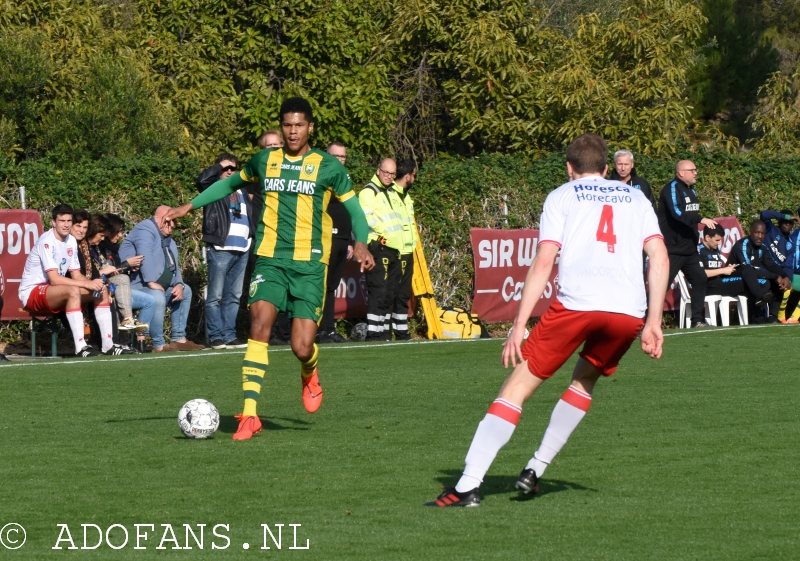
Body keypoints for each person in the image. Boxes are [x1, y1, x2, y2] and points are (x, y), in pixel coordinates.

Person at [425, 133, 669, 508]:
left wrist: (519, 325)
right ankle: (535, 469)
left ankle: (467, 486)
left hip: (577, 305)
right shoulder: (636, 196)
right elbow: (659, 255)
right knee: (585, 379)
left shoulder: (561, 195)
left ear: (569, 168)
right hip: (627, 311)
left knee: (516, 388)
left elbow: (544, 260)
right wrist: (654, 320)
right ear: (606, 169)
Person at [164, 96, 375, 440]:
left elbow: (356, 212)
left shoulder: (329, 167)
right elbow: (228, 183)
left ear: (310, 127)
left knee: (300, 346)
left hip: (309, 265)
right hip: (270, 259)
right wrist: (189, 205)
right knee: (259, 324)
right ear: (282, 127)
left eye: (299, 125)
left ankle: (310, 371)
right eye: (287, 125)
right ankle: (249, 413)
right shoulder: (264, 160)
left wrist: (362, 241)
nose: (293, 132)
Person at [18, 204, 115, 357]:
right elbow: (55, 279)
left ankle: (108, 345)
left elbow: (76, 274)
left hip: (53, 291)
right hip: (32, 292)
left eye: (69, 220)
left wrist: (93, 283)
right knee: (73, 290)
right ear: (53, 222)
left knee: (101, 289)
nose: (66, 224)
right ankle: (80, 347)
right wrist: (86, 283)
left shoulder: (70, 240)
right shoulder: (47, 242)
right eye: (62, 220)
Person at [120, 206, 204, 352]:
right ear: (161, 218)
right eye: (170, 221)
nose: (173, 225)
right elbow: (144, 254)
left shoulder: (168, 239)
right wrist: (151, 282)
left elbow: (174, 265)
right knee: (157, 295)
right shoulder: (145, 229)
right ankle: (158, 344)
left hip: (157, 287)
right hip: (136, 287)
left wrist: (179, 284)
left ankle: (179, 338)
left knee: (187, 291)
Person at [196, 154, 255, 349]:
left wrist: (251, 237)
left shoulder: (243, 189)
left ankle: (229, 335)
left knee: (234, 296)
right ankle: (216, 336)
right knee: (215, 296)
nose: (230, 171)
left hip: (242, 247)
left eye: (233, 168)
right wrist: (218, 165)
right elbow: (201, 180)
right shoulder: (213, 188)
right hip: (221, 247)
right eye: (226, 168)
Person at [657, 160, 717, 328]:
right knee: (661, 285)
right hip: (673, 248)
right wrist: (700, 219)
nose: (696, 173)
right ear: (681, 172)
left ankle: (697, 320)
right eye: (692, 170)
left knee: (699, 278)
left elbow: (690, 212)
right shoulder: (672, 189)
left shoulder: (692, 190)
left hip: (689, 249)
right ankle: (646, 321)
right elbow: (677, 213)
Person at [71, 213, 138, 355]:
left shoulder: (91, 246)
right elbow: (82, 274)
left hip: (96, 283)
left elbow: (93, 273)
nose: (102, 239)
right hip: (76, 287)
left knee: (151, 299)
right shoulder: (78, 245)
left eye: (84, 227)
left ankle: (121, 336)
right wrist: (104, 274)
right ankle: (114, 341)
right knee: (108, 291)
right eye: (101, 235)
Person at [358, 157, 403, 341]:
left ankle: (383, 331)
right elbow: (366, 217)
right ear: (378, 171)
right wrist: (384, 231)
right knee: (379, 290)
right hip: (377, 247)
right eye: (386, 172)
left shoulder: (389, 191)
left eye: (392, 174)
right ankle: (373, 332)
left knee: (389, 292)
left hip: (393, 249)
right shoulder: (369, 192)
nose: (389, 176)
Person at [97, 213, 155, 350]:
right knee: (119, 294)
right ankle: (123, 339)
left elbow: (115, 271)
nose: (121, 235)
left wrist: (128, 268)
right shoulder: (98, 247)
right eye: (118, 231)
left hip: (119, 287)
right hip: (105, 287)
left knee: (150, 301)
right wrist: (125, 265)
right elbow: (101, 271)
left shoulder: (114, 249)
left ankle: (140, 340)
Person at [316, 141, 353, 343]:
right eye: (336, 156)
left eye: (343, 157)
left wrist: (349, 241)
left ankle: (329, 329)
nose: (340, 160)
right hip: (325, 239)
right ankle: (317, 329)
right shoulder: (321, 177)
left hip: (341, 240)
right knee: (320, 286)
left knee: (331, 287)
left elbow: (348, 210)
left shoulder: (345, 179)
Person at [726, 220, 791, 323]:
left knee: (778, 284)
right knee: (763, 282)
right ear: (750, 232)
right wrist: (774, 276)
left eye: (763, 233)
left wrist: (785, 277)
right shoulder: (742, 245)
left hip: (749, 280)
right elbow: (748, 269)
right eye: (757, 232)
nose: (760, 236)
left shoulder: (763, 248)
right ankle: (757, 319)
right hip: (730, 281)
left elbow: (772, 265)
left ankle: (772, 318)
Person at [698, 224, 772, 307]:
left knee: (761, 280)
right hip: (709, 286)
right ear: (707, 237)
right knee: (748, 283)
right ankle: (759, 299)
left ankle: (759, 302)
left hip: (720, 280)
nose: (719, 243)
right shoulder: (699, 250)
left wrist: (728, 269)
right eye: (717, 240)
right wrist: (723, 270)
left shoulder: (714, 249)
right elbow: (698, 273)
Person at [389, 158, 418, 340]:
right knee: (390, 292)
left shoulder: (405, 196)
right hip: (394, 251)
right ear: (407, 176)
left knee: (403, 293)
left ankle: (401, 330)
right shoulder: (389, 194)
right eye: (414, 175)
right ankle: (385, 330)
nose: (415, 179)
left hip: (408, 250)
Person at [760, 209, 800, 323]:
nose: (788, 224)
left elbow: (788, 264)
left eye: (790, 222)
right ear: (779, 221)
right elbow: (764, 214)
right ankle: (759, 317)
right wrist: (788, 216)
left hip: (777, 272)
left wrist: (787, 278)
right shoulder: (770, 230)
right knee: (765, 284)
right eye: (785, 221)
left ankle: (774, 317)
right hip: (763, 268)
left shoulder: (792, 241)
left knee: (782, 284)